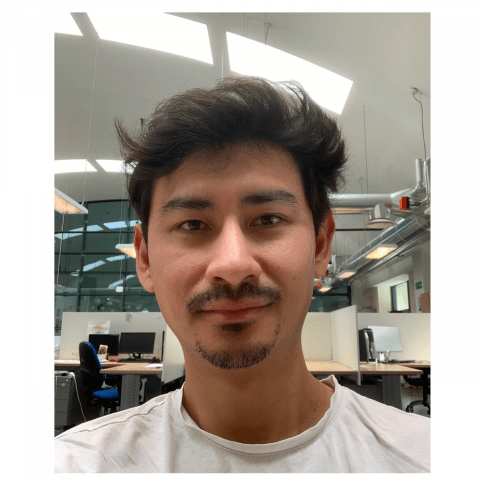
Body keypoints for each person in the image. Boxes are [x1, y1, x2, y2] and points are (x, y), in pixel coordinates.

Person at [55, 76, 430, 473]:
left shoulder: (426, 458)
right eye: (192, 224)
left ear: (321, 245)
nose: (233, 265)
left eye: (268, 219)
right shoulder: (74, 465)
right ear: (145, 258)